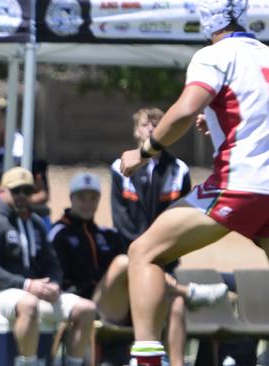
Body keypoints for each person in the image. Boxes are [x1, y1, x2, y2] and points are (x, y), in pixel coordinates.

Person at [119, 1, 269, 364]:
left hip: (240, 185)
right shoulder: (264, 53)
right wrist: (217, 128)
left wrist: (144, 152)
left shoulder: (214, 55)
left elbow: (186, 109)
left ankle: (147, 361)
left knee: (144, 253)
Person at [50, 173, 228, 366]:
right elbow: (55, 275)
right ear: (71, 198)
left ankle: (178, 362)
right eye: (82, 197)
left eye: (93, 197)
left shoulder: (107, 235)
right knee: (125, 262)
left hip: (123, 302)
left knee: (174, 301)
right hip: (91, 304)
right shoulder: (59, 234)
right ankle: (188, 292)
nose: (87, 203)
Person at [0, 167, 96, 366]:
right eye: (16, 191)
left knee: (86, 309)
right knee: (29, 304)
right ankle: (28, 363)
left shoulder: (35, 223)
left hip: (27, 292)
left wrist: (54, 284)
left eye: (27, 191)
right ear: (2, 191)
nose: (22, 196)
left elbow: (52, 264)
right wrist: (27, 285)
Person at [111, 107, 192, 273]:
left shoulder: (179, 170)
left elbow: (184, 216)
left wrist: (161, 248)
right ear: (136, 130)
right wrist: (141, 248)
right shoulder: (120, 167)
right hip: (131, 253)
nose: (150, 128)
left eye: (156, 125)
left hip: (166, 255)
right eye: (145, 124)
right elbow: (120, 216)